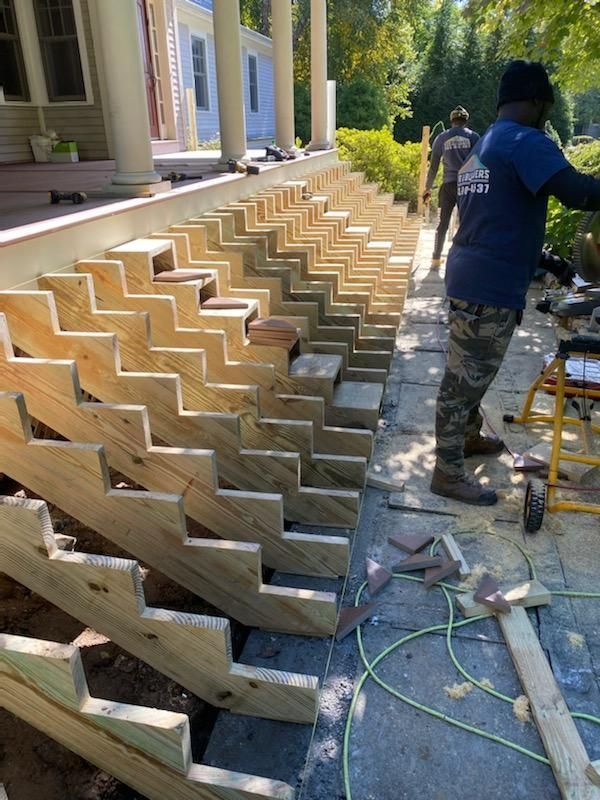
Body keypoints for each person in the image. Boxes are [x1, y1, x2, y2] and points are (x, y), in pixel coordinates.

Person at [431, 60, 600, 506]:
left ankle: (466, 439)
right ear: (536, 102)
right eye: (545, 105)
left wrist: (547, 262)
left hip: (478, 276)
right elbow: (577, 192)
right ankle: (446, 474)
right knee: (460, 383)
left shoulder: (489, 141)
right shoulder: (526, 140)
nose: (546, 114)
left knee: (475, 373)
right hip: (487, 287)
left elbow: (496, 219)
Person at [423, 106, 480, 268]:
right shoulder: (473, 137)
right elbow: (480, 162)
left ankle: (435, 259)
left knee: (443, 223)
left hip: (448, 185)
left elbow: (433, 167)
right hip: (466, 185)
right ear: (466, 120)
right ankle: (463, 260)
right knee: (465, 223)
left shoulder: (441, 138)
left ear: (451, 120)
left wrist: (427, 188)